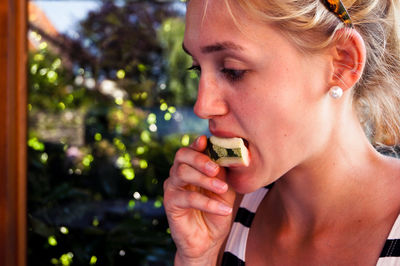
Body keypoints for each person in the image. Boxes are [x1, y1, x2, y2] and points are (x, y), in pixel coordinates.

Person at [163, 0, 400, 265]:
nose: (203, 106)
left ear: (342, 63)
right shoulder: (220, 215)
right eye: (197, 68)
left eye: (233, 71)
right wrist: (198, 259)